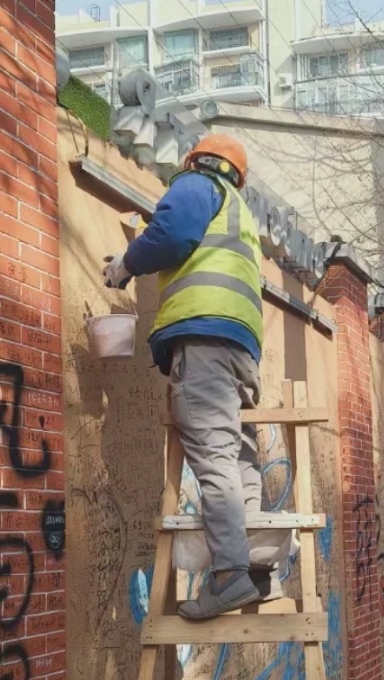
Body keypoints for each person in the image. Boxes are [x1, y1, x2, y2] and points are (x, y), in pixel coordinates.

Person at [102, 134, 272, 620]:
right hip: (240, 346)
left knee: (216, 457)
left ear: (196, 161)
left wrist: (127, 265)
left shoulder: (198, 184)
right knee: (239, 456)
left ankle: (230, 575)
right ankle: (255, 568)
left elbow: (174, 234)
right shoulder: (240, 214)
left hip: (203, 341)